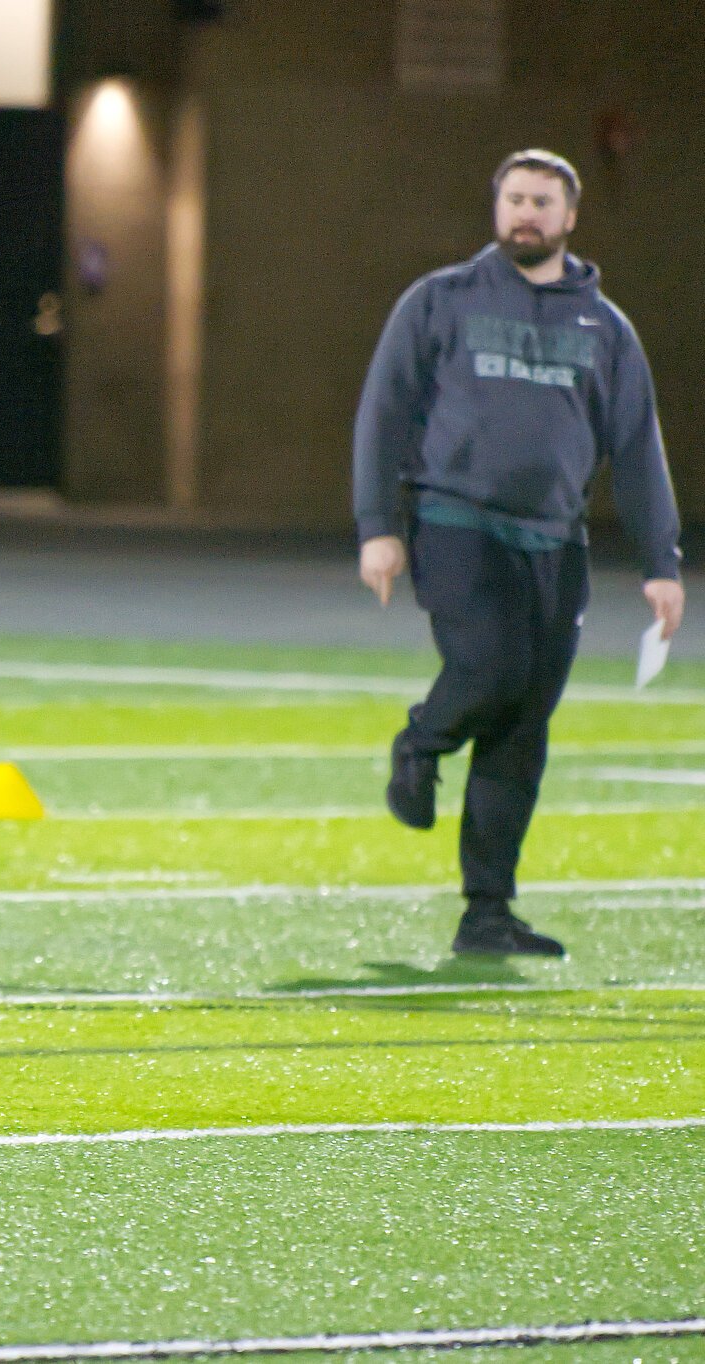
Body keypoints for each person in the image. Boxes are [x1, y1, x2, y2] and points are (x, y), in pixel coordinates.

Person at [354, 149, 684, 957]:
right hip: (457, 521)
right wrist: (377, 525)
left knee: (522, 726)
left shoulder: (606, 328)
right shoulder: (441, 299)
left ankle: (488, 913)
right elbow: (384, 409)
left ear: (570, 217)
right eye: (513, 199)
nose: (524, 213)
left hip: (556, 541)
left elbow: (637, 449)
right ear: (496, 208)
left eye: (541, 201)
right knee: (491, 666)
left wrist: (661, 563)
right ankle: (422, 741)